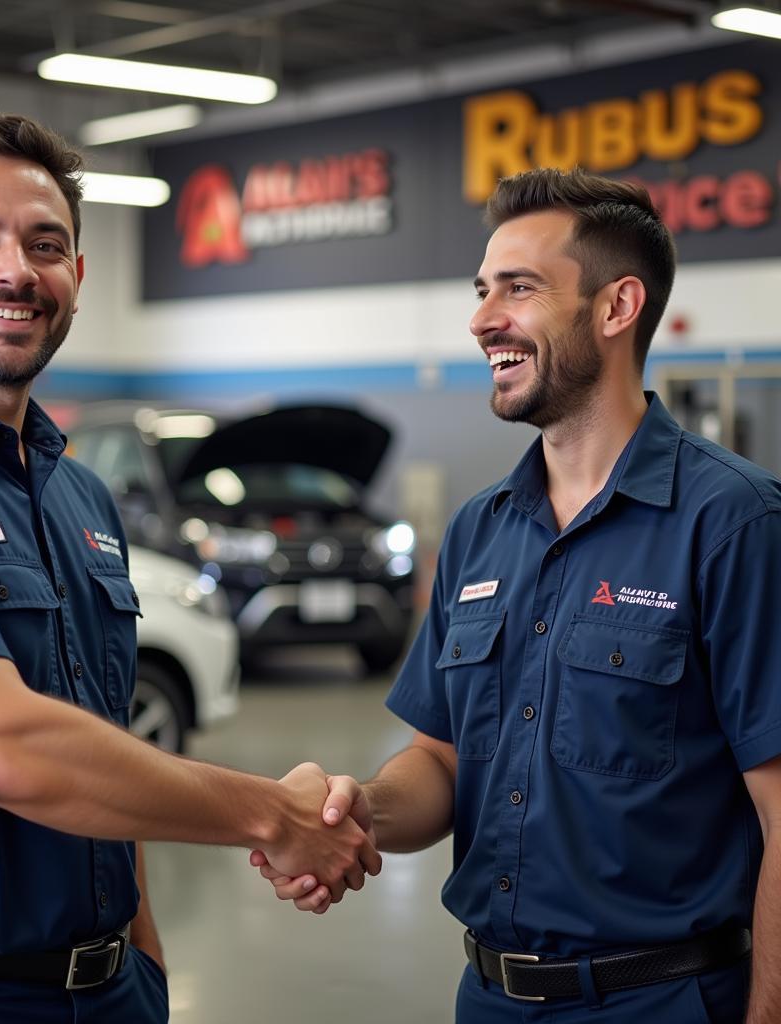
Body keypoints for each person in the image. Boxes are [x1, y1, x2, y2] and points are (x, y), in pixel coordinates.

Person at [0, 111, 379, 1023]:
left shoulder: (79, 498)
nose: (15, 269)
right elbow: (2, 748)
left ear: (77, 278)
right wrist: (271, 815)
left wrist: (146, 963)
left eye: (46, 244)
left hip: (105, 988)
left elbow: (100, 738)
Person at [255, 167, 781, 1023]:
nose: (481, 319)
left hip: (666, 1002)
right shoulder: (479, 530)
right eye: (481, 290)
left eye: (520, 288)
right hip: (491, 998)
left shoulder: (733, 523)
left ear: (617, 308)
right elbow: (443, 760)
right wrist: (359, 810)